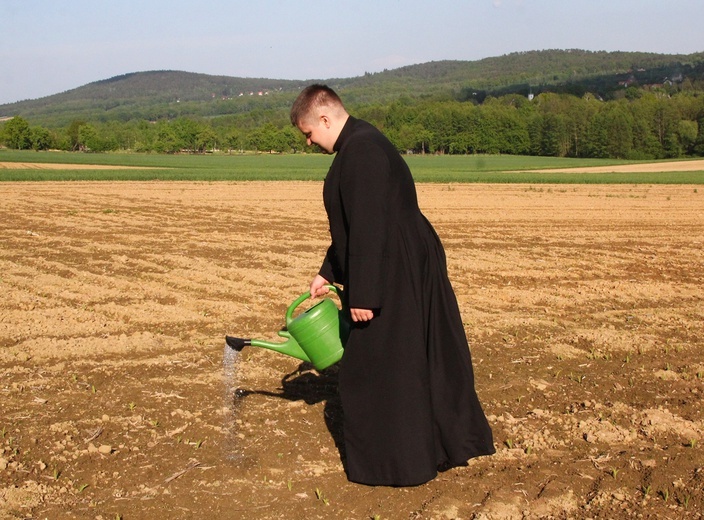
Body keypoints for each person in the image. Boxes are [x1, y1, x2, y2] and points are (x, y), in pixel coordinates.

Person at [290, 84, 495, 487]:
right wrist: (328, 272)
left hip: (393, 269)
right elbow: (356, 224)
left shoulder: (361, 150)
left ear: (325, 119)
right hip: (397, 261)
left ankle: (400, 463)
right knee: (406, 360)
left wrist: (363, 295)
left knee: (381, 368)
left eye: (309, 134)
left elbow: (368, 227)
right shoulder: (360, 143)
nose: (309, 142)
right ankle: (423, 452)